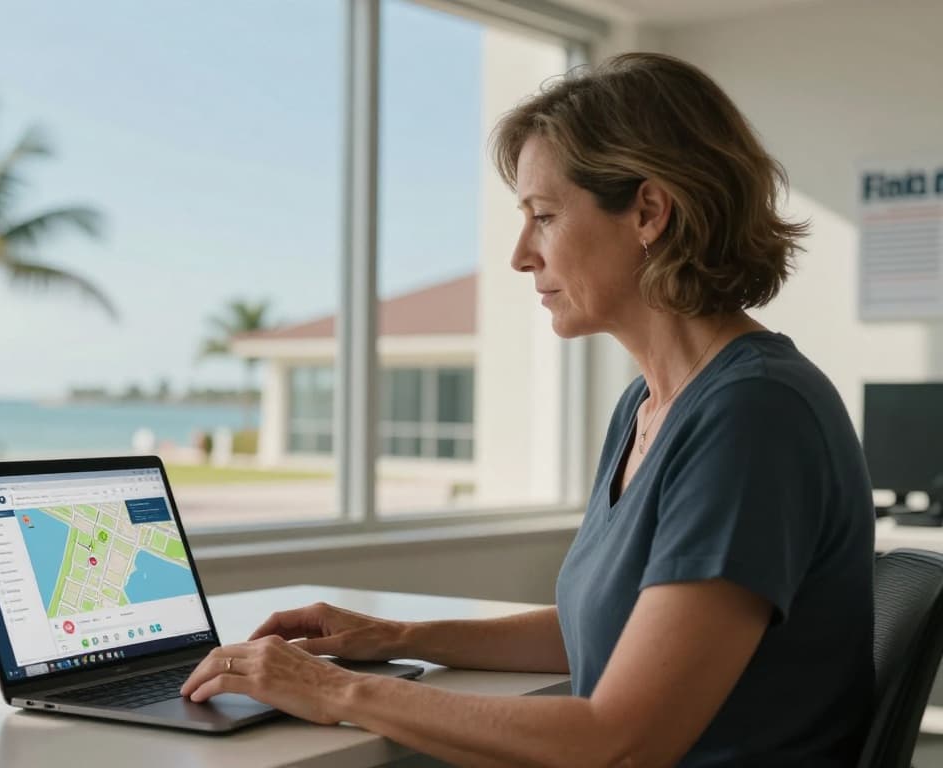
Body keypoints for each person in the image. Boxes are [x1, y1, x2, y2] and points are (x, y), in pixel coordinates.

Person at [180, 52, 874, 767]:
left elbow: (622, 744)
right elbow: (606, 631)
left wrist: (332, 692)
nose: (519, 255)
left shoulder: (752, 416)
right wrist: (396, 639)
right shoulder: (651, 402)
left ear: (648, 211)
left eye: (543, 216)